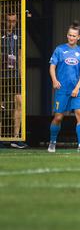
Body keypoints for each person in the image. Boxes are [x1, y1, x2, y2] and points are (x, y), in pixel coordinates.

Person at [47, 21, 80, 153]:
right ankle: (52, 142)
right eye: (70, 35)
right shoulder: (59, 50)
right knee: (58, 117)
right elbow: (52, 66)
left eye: (74, 36)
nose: (71, 38)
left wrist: (77, 87)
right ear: (67, 35)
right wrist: (54, 80)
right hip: (62, 89)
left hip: (77, 89)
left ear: (78, 37)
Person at [2, 11, 27, 148]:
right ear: (4, 21)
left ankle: (16, 138)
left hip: (14, 74)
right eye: (9, 21)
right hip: (2, 74)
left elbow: (20, 54)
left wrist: (21, 74)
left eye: (14, 21)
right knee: (1, 105)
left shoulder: (19, 35)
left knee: (19, 102)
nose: (11, 23)